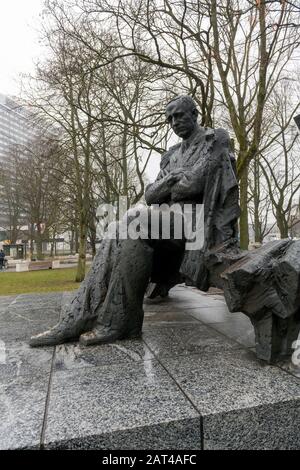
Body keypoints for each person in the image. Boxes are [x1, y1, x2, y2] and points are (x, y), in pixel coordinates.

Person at [30, 95, 239, 347]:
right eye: (169, 118)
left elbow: (195, 182)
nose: (174, 122)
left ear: (195, 114)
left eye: (179, 115)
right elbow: (151, 195)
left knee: (133, 218)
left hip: (197, 224)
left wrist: (170, 184)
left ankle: (113, 321)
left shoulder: (214, 138)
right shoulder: (171, 155)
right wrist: (175, 179)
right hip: (167, 222)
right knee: (120, 228)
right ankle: (82, 316)